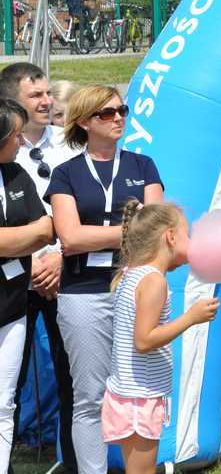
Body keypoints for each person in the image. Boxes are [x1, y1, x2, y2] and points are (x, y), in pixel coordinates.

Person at [46, 86, 164, 474]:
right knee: (89, 396)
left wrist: (100, 233)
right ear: (84, 121)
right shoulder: (66, 173)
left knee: (141, 389)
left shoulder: (143, 165)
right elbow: (71, 238)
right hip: (83, 292)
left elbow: (156, 230)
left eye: (122, 110)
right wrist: (130, 230)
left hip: (135, 288)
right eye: (107, 113)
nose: (118, 118)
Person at [101, 200, 219, 474]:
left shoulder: (132, 274)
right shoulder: (154, 281)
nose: (191, 242)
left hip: (129, 395)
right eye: (187, 234)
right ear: (170, 236)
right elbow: (143, 341)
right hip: (139, 399)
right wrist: (191, 318)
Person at [0, 63, 77, 471]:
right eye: (36, 95)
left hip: (64, 274)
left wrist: (61, 257)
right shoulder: (9, 159)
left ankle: (74, 460)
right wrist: (31, 260)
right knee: (6, 385)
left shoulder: (71, 141)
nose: (48, 101)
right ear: (11, 102)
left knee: (72, 377)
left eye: (48, 93)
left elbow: (72, 214)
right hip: (15, 283)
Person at [0, 98, 55, 474]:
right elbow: (32, 233)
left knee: (4, 402)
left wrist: (10, 242)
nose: (22, 143)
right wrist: (26, 238)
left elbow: (46, 228)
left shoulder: (17, 174)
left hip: (12, 306)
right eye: (16, 135)